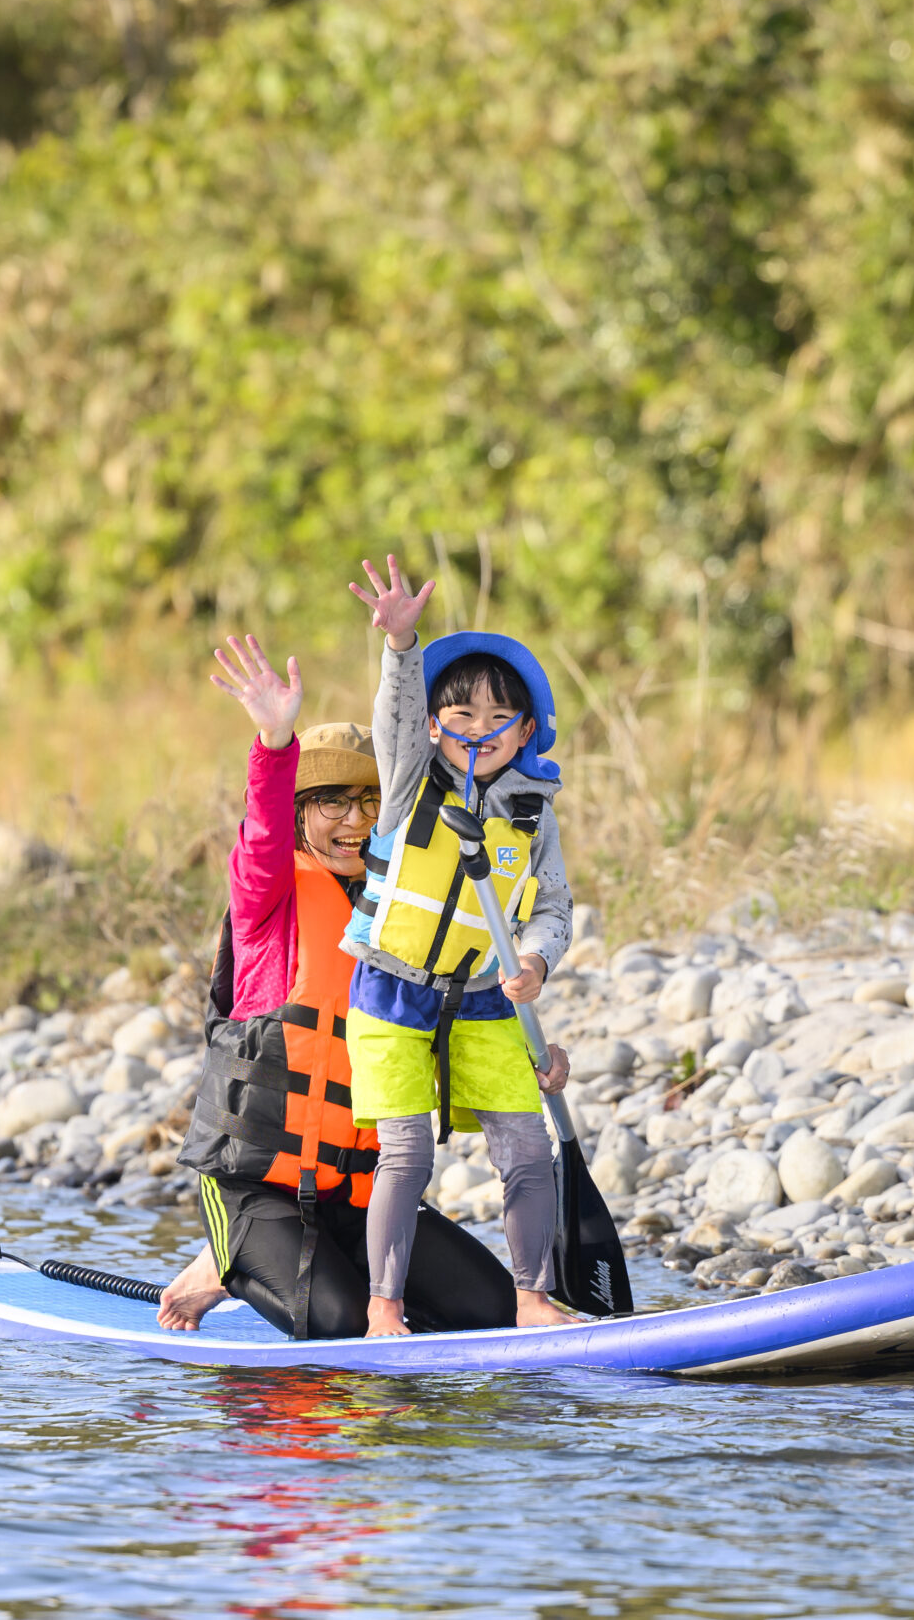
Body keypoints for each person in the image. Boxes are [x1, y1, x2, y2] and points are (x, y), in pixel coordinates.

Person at [162, 633, 519, 1339]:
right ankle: (224, 1255)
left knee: (494, 1310)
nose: (354, 822)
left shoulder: (402, 915)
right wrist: (274, 738)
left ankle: (284, 1264)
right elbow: (260, 833)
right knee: (337, 1324)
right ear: (301, 811)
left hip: (358, 1194)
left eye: (369, 802)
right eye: (331, 802)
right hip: (256, 1184)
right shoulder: (269, 898)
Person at [343, 556, 577, 1336]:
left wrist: (538, 959)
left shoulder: (533, 814)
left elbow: (553, 904)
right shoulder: (410, 777)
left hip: (484, 995)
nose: (479, 732)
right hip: (390, 987)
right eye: (462, 716)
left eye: (496, 718)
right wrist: (402, 645)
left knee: (528, 1151)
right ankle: (384, 1310)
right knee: (406, 1156)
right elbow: (397, 716)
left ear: (528, 729)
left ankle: (533, 1298)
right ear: (438, 724)